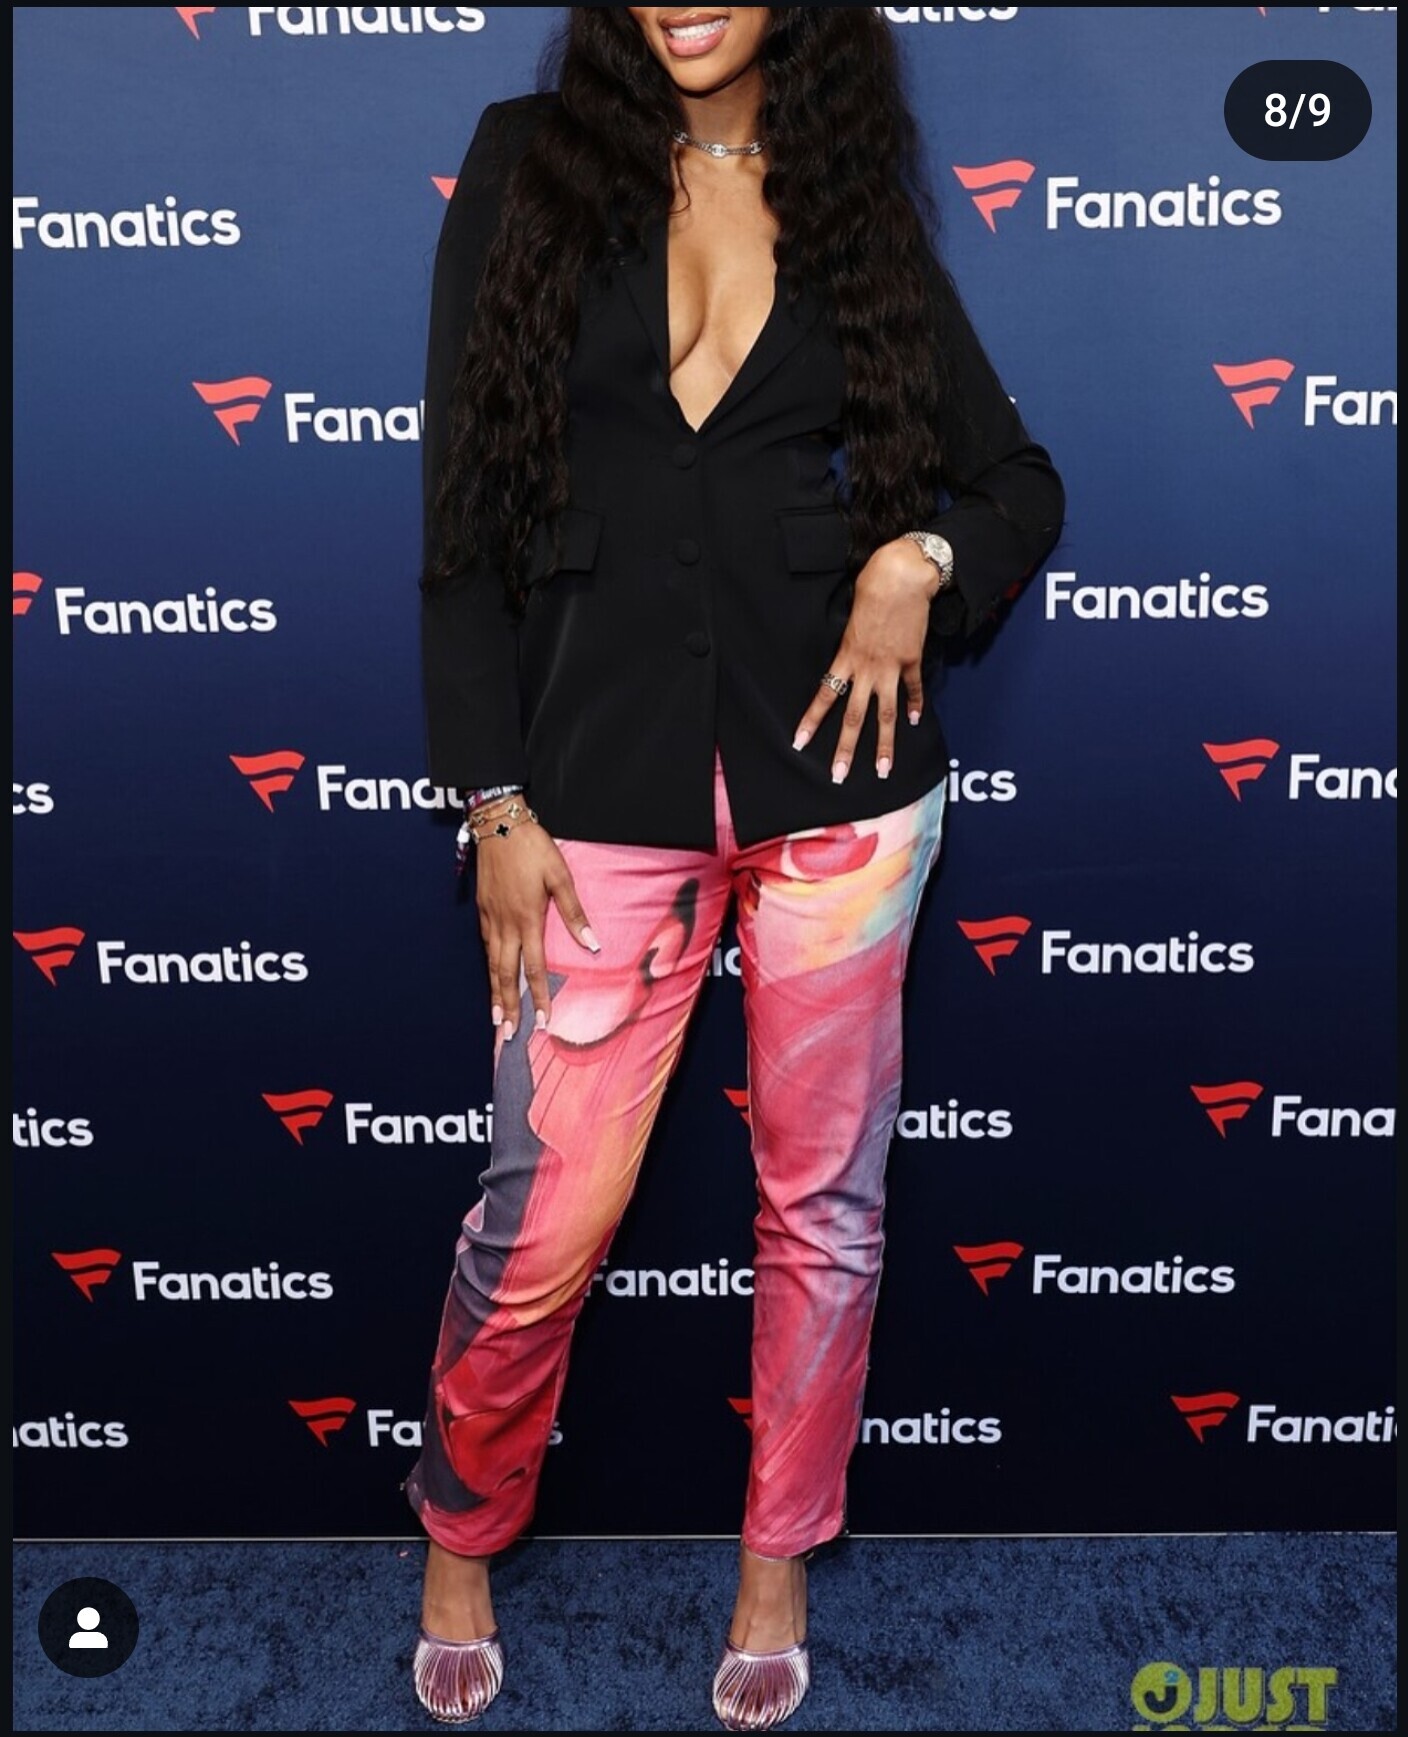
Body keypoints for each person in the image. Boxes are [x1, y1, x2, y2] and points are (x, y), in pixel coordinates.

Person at [405, 7, 1064, 1728]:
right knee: (543, 1215)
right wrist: (490, 795)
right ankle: (461, 1528)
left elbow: (1014, 483)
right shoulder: (528, 165)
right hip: (589, 781)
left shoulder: (845, 192)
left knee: (822, 1203)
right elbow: (462, 511)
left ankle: (777, 1556)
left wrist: (917, 562)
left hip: (837, 788)